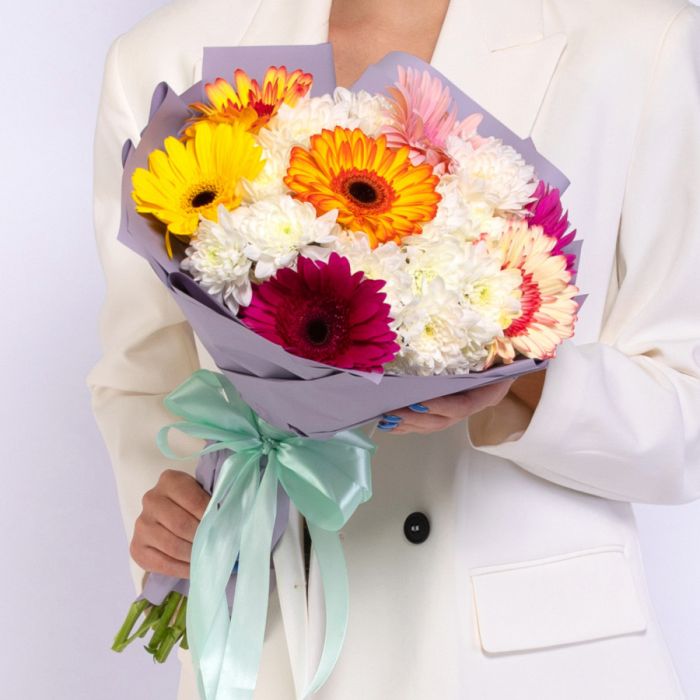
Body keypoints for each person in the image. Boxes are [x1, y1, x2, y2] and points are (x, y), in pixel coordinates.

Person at [88, 0, 700, 697]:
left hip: (523, 659)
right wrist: (171, 510)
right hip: (282, 637)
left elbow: (686, 409)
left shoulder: (631, 39)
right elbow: (141, 374)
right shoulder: (163, 57)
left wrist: (520, 384)